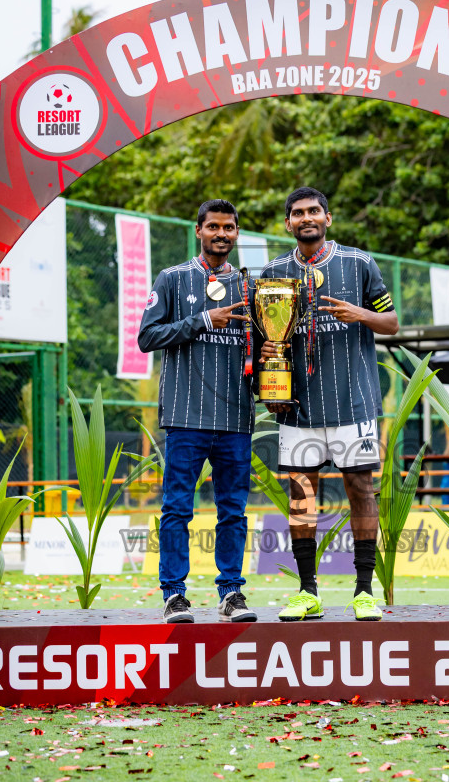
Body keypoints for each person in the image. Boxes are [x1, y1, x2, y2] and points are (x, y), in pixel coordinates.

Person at [257, 186, 399, 621]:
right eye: (298, 213)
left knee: (360, 489)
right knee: (301, 495)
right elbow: (267, 338)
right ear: (288, 223)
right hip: (297, 408)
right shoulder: (274, 271)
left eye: (314, 211)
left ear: (328, 218)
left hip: (353, 403)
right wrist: (268, 367)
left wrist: (363, 315)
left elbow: (392, 323)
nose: (306, 218)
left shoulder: (359, 263)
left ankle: (363, 591)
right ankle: (307, 591)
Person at [138, 198, 257, 624]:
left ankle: (231, 593)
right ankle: (174, 595)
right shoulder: (173, 279)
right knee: (176, 509)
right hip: (185, 417)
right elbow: (147, 336)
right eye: (213, 227)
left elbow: (261, 347)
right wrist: (204, 320)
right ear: (198, 230)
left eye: (229, 227)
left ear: (237, 233)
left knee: (233, 511)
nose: (221, 234)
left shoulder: (251, 288)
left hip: (236, 419)